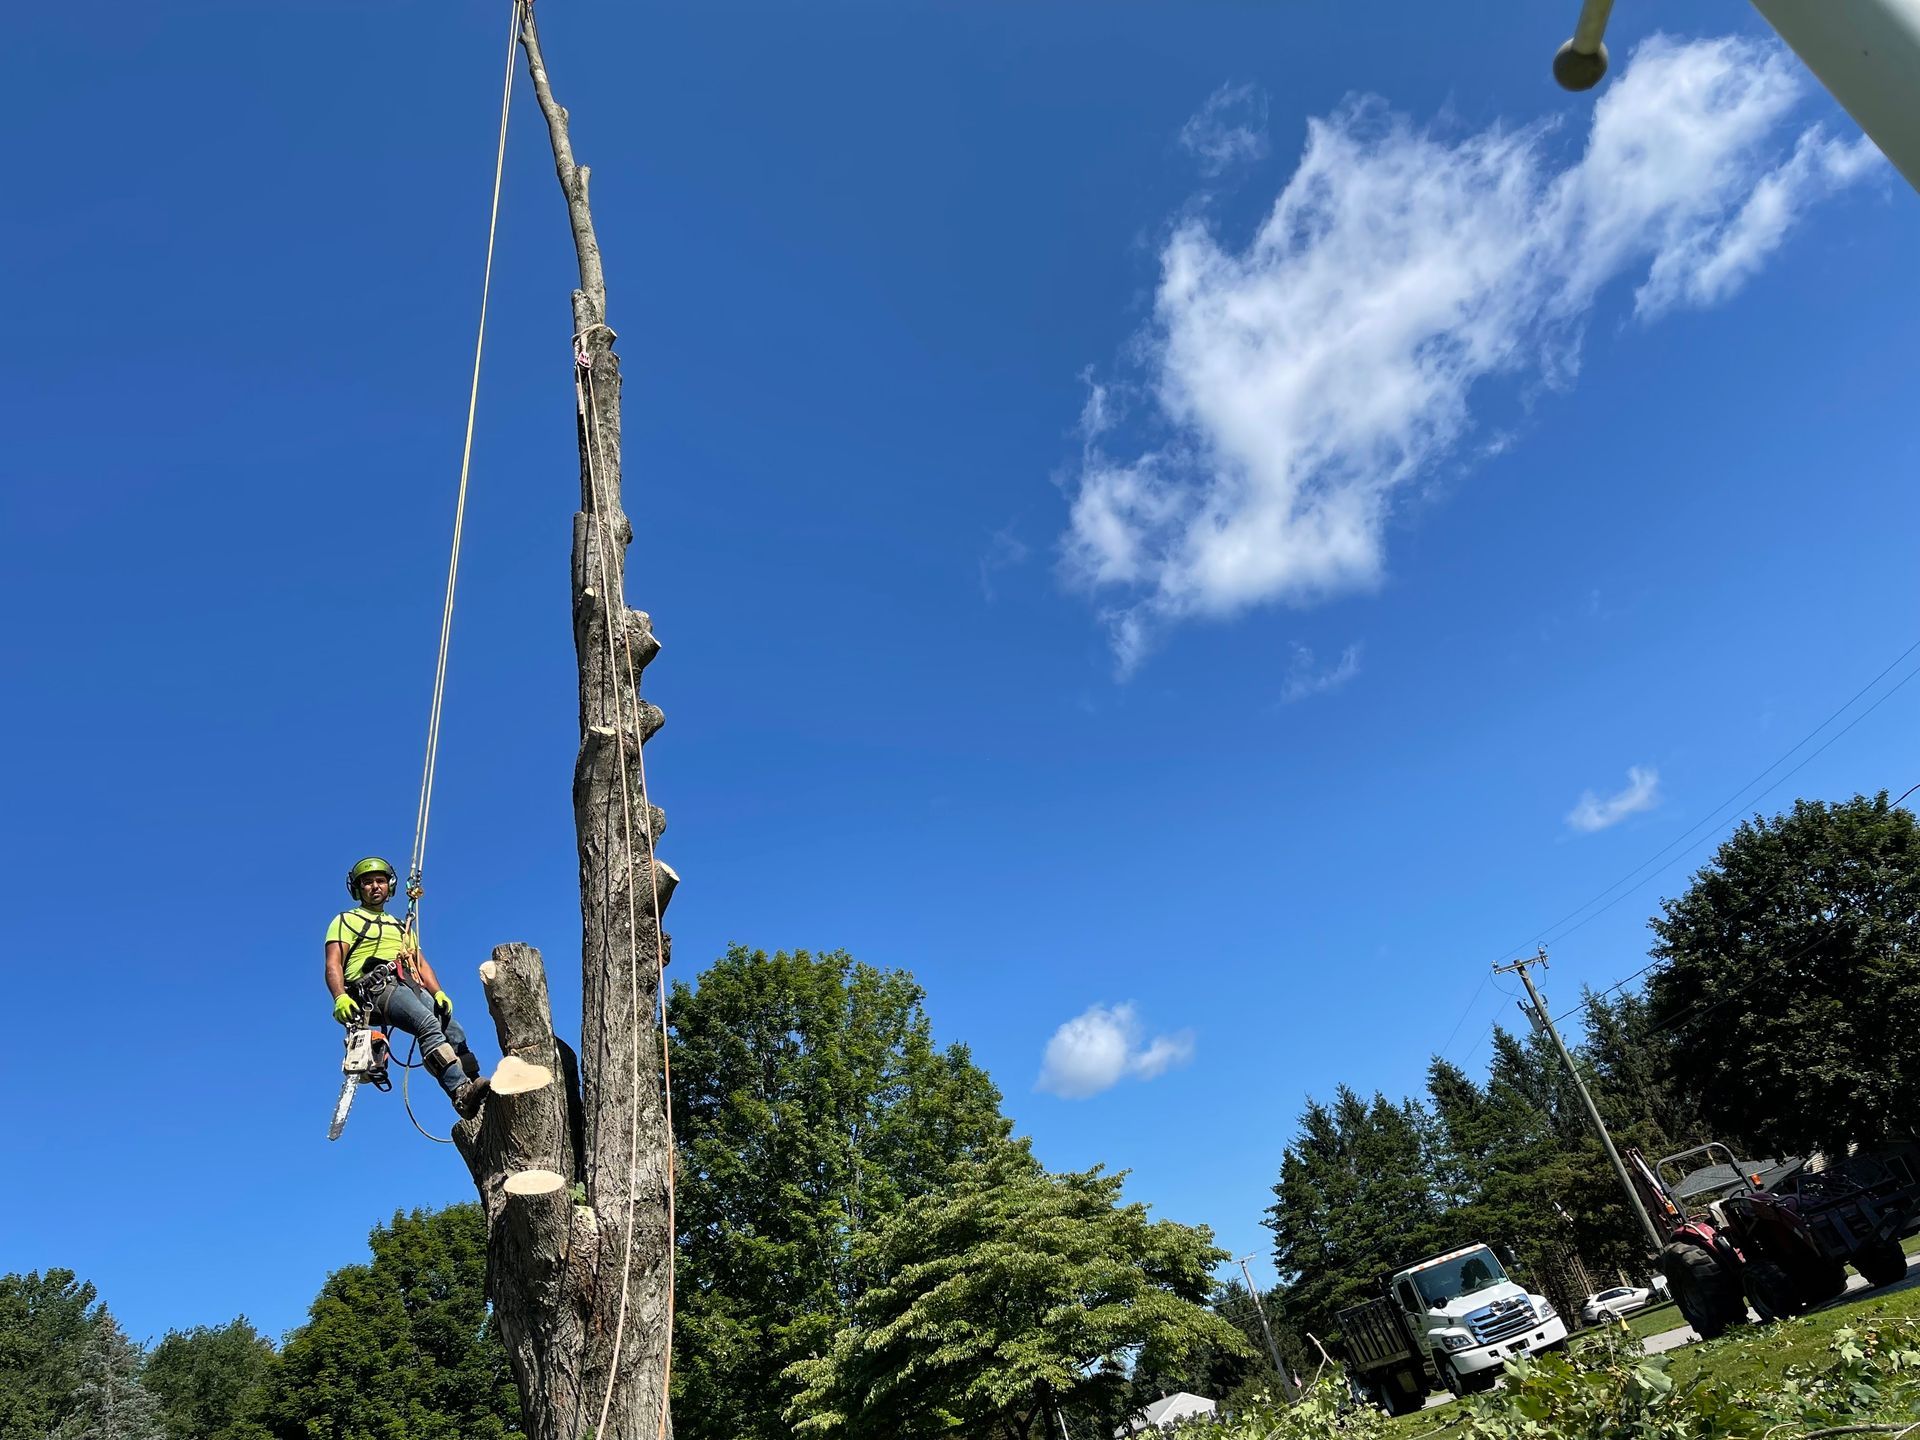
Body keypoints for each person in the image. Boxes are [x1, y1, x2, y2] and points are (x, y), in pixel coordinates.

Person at [325, 855, 489, 1119]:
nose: (375, 886)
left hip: (407, 984)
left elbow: (421, 965)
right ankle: (460, 1092)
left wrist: (438, 993)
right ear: (358, 889)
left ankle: (476, 1083)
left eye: (380, 881)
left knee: (453, 1029)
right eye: (367, 882)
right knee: (427, 1024)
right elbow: (333, 963)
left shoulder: (403, 927)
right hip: (374, 988)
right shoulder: (346, 920)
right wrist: (340, 997)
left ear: (389, 886)